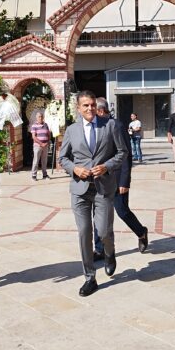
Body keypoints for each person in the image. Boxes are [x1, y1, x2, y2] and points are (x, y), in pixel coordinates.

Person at [59, 91, 128, 297]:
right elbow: (63, 158)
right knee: (84, 232)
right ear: (78, 108)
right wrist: (75, 169)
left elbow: (122, 153)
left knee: (104, 231)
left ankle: (109, 252)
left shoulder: (110, 125)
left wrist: (107, 166)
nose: (90, 109)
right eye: (85, 106)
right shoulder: (72, 130)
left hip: (103, 188)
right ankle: (90, 277)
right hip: (80, 190)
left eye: (92, 105)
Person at [93, 99, 148, 259]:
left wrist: (125, 181)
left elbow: (125, 154)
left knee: (122, 211)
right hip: (100, 179)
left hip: (117, 179)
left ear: (101, 111)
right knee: (99, 214)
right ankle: (99, 249)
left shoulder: (117, 125)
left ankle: (141, 232)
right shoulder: (94, 127)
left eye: (94, 110)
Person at [30, 111, 51, 181]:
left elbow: (49, 134)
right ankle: (33, 175)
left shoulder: (46, 125)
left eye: (41, 116)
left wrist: (47, 142)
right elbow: (33, 137)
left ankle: (44, 175)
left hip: (45, 146)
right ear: (36, 118)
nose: (40, 118)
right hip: (37, 146)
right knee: (36, 160)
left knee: (44, 161)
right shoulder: (34, 126)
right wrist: (41, 144)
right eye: (39, 117)